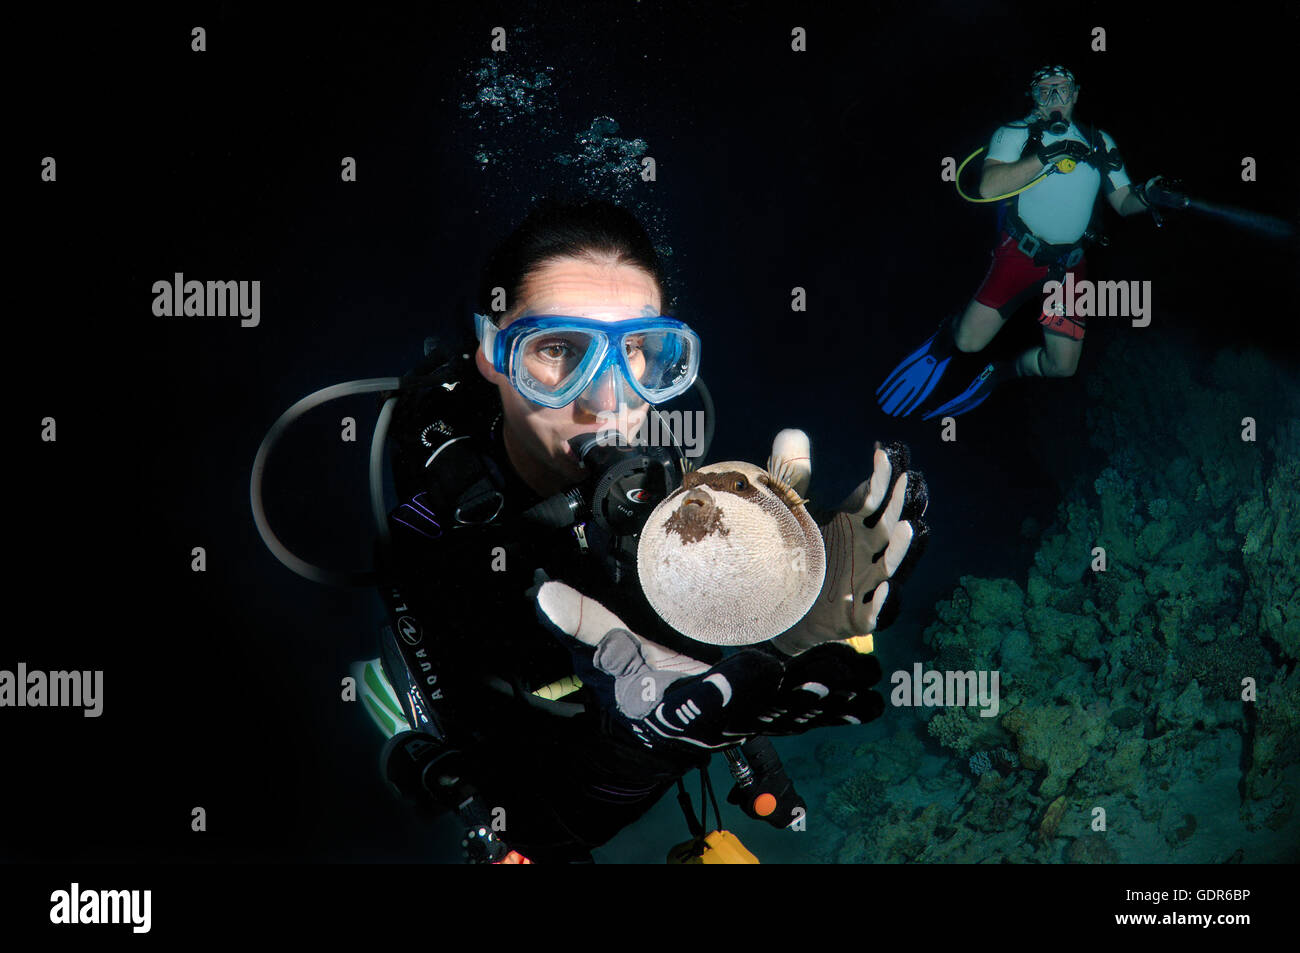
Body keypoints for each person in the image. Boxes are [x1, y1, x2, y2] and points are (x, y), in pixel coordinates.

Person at [370, 197, 930, 863]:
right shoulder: (433, 532)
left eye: (637, 351)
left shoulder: (677, 491)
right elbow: (519, 819)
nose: (608, 399)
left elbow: (718, 673)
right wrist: (641, 751)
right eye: (556, 349)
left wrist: (782, 612)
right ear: (492, 353)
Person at [877, 65, 1167, 420]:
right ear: (1033, 96)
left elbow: (1123, 201)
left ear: (1076, 94)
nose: (1055, 98)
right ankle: (944, 338)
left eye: (1062, 89)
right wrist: (1049, 154)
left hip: (1069, 266)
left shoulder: (1099, 141)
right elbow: (987, 186)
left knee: (1062, 367)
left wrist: (1151, 196)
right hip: (1019, 255)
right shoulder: (1013, 134)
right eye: (1046, 91)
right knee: (968, 343)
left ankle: (1002, 372)